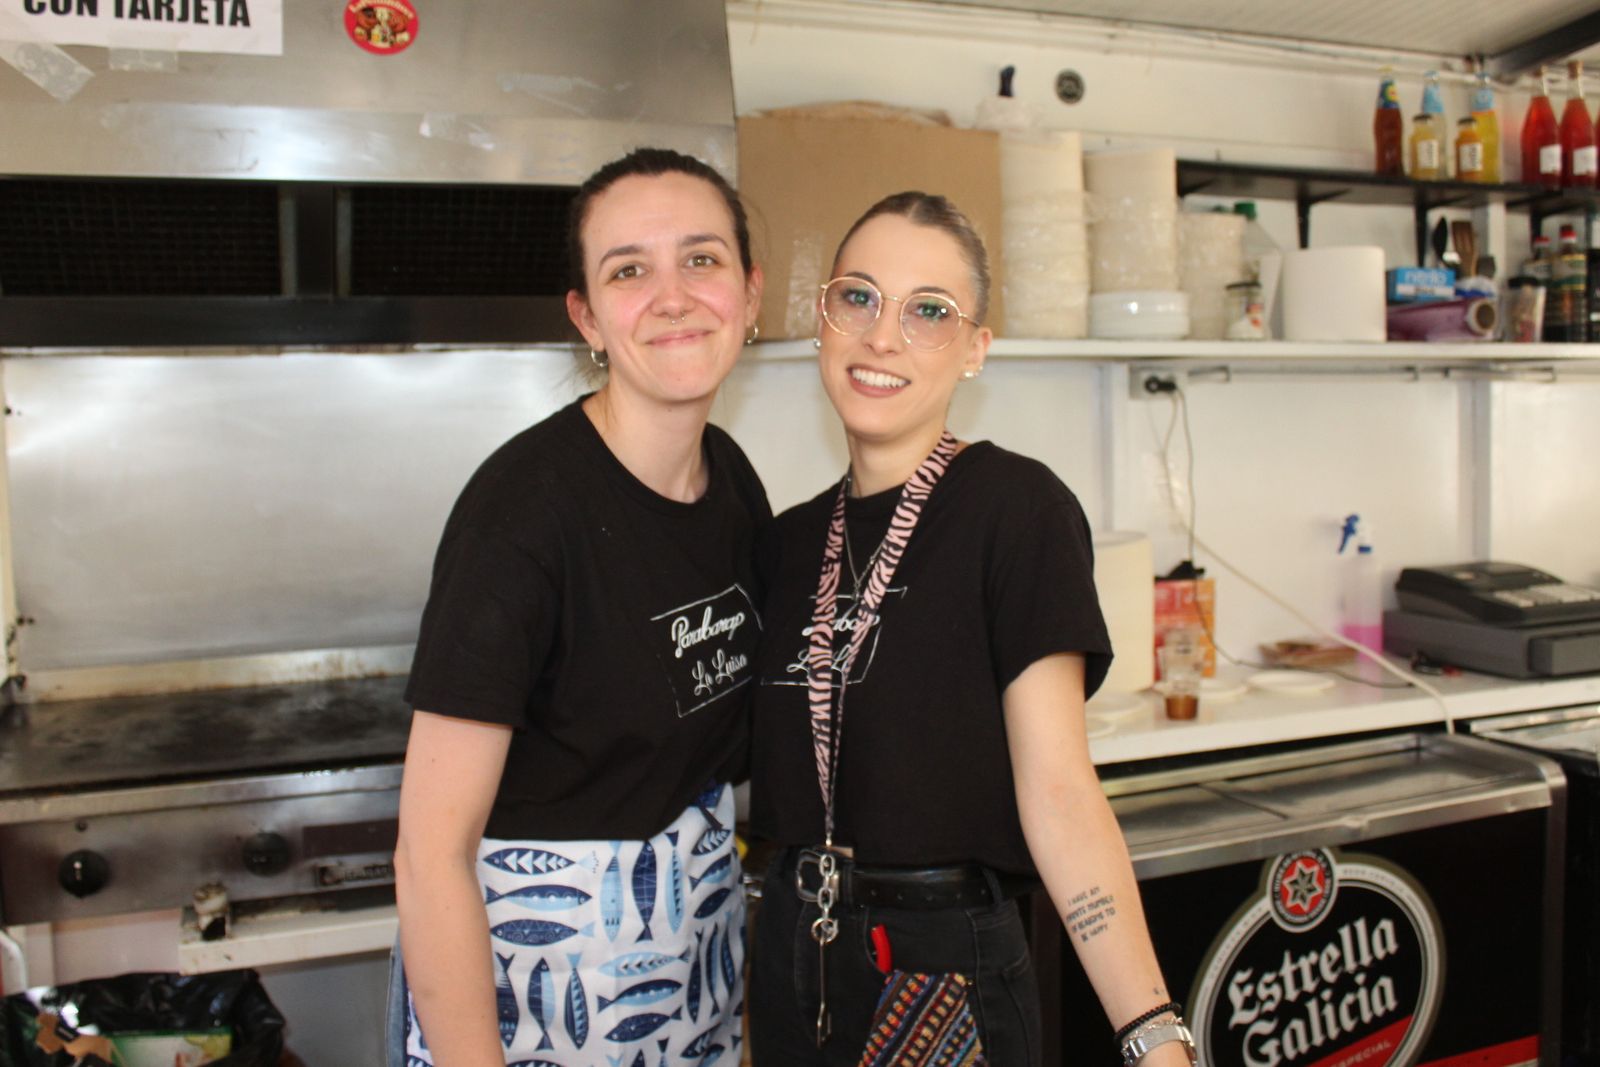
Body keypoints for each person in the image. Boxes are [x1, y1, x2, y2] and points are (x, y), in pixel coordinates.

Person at [747, 192, 1195, 1067]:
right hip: (795, 957)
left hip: (941, 972)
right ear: (822, 318)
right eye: (859, 297)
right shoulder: (790, 542)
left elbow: (1061, 793)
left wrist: (1154, 1037)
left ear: (976, 348)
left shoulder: (1014, 511)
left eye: (929, 312)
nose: (883, 337)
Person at [390, 147, 769, 1067]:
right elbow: (428, 854)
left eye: (702, 258)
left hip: (696, 974)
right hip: (536, 994)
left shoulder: (735, 486)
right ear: (587, 317)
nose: (672, 295)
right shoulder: (524, 513)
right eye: (629, 270)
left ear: (751, 296)